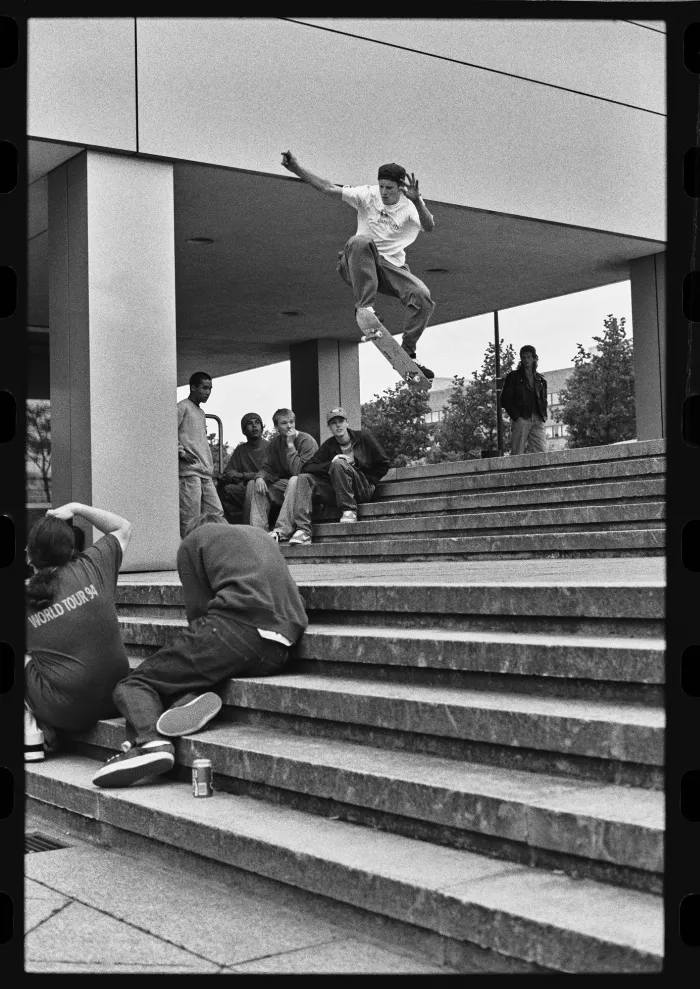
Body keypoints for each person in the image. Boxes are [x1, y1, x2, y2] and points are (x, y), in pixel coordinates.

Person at [92, 514, 308, 788]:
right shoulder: (260, 536)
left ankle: (150, 742)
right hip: (280, 650)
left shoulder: (193, 542)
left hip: (234, 628)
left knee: (135, 684)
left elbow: (197, 610)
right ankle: (189, 699)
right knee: (201, 670)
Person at [281, 150, 436, 378]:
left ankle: (409, 353)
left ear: (400, 187)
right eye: (381, 186)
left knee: (423, 297)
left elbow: (429, 226)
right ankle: (365, 308)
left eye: (389, 188)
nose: (383, 192)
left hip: (392, 269)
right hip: (358, 264)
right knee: (360, 241)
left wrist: (417, 201)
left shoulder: (411, 204)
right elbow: (328, 188)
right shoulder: (367, 194)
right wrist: (296, 169)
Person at [25, 503, 133, 762]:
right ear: (71, 549)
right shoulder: (93, 565)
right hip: (117, 698)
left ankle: (30, 734)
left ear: (29, 556)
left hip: (68, 710)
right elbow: (123, 526)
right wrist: (77, 508)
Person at [272, 407, 390, 546]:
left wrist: (366, 477)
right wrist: (330, 464)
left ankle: (349, 509)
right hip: (337, 492)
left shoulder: (363, 438)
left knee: (339, 463)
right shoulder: (329, 445)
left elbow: (384, 464)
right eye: (334, 423)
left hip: (362, 488)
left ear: (347, 423)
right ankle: (304, 530)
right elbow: (307, 467)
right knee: (304, 477)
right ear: (329, 427)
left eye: (341, 421)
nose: (338, 425)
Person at [249, 408, 318, 532]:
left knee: (294, 479)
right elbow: (267, 467)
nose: (289, 426)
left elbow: (301, 472)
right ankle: (258, 532)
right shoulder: (275, 443)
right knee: (258, 485)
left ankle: (282, 529)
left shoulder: (306, 441)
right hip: (287, 487)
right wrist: (260, 477)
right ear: (276, 427)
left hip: (308, 488)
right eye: (284, 423)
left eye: (291, 422)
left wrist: (290, 445)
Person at [177, 371, 224, 537]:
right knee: (190, 517)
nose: (208, 392)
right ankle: (188, 553)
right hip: (189, 473)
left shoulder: (201, 412)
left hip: (205, 471)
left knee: (216, 512)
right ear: (193, 387)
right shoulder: (182, 407)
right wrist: (181, 452)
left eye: (210, 388)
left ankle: (212, 548)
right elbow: (168, 432)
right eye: (204, 388)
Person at [217, 412, 269, 524]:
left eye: (257, 423)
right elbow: (230, 471)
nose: (254, 426)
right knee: (224, 489)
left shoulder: (270, 447)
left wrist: (243, 475)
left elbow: (273, 474)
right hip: (245, 491)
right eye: (250, 424)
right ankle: (224, 524)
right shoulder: (240, 450)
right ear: (244, 431)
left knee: (252, 485)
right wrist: (226, 476)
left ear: (262, 428)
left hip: (266, 489)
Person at [500, 346, 549, 456]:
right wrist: (517, 417)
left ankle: (541, 473)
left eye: (528, 357)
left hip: (538, 420)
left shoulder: (541, 380)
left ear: (534, 358)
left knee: (542, 453)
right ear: (520, 359)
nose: (526, 360)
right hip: (522, 419)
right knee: (517, 453)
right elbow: (505, 400)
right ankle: (514, 473)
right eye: (523, 357)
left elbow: (543, 400)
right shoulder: (513, 377)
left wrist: (543, 417)